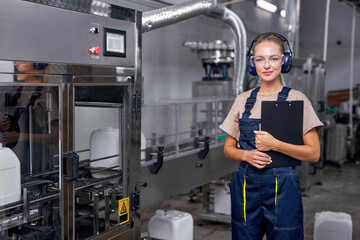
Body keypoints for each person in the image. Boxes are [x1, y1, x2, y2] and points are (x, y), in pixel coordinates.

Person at [219, 32, 323, 240]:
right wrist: (246, 156)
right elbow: (228, 148)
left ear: (284, 61)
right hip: (246, 183)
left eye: (274, 58)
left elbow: (314, 154)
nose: (266, 65)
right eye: (260, 59)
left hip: (283, 184)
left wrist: (275, 144)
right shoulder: (243, 100)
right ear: (253, 63)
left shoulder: (297, 99)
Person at [0, 61, 58, 175]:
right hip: (14, 158)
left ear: (37, 65)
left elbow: (56, 136)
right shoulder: (16, 90)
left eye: (21, 61)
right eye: (16, 61)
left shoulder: (47, 93)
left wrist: (20, 137)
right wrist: (4, 124)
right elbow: (6, 117)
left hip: (37, 163)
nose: (16, 64)